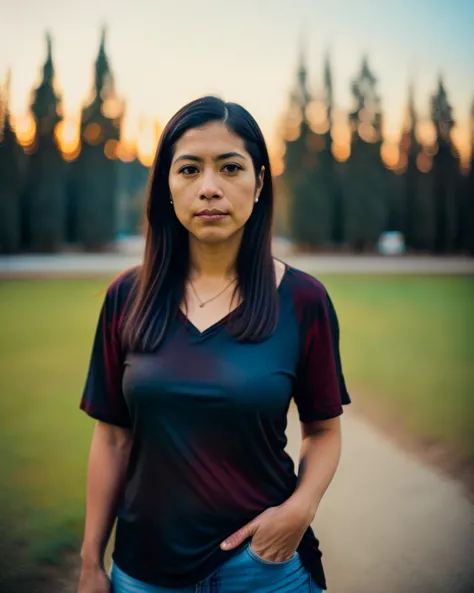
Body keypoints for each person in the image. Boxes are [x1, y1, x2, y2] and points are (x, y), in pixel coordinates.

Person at [77, 95, 351, 593]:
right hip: (145, 573)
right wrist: (90, 563)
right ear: (167, 185)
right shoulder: (125, 297)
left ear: (259, 182)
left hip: (266, 568)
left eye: (230, 168)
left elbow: (323, 431)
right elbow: (113, 438)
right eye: (189, 170)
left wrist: (300, 508)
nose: (209, 188)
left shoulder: (303, 299)